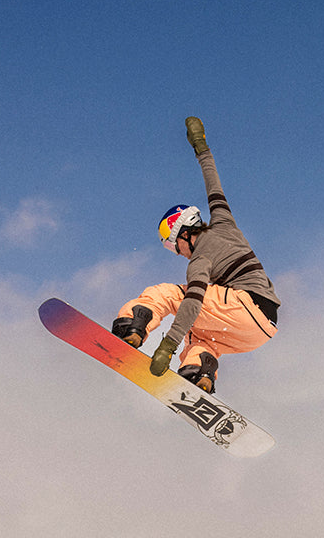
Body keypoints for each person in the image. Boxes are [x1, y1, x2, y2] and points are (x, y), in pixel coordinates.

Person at [110, 117, 280, 394]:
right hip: (263, 329)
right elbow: (214, 184)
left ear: (184, 233)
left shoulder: (201, 258)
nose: (178, 253)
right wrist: (201, 146)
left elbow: (193, 301)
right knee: (201, 336)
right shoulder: (224, 222)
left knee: (167, 294)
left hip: (244, 305)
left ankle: (132, 328)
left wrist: (167, 346)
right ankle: (199, 372)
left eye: (173, 245)